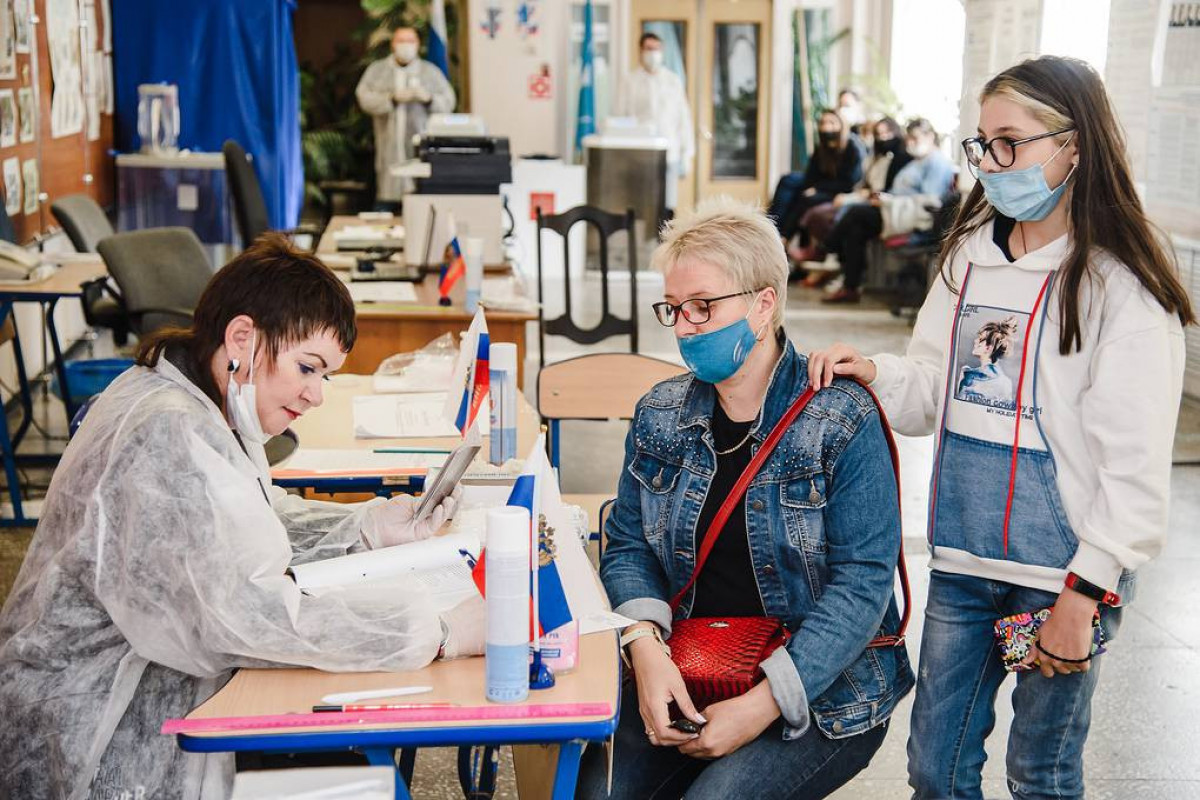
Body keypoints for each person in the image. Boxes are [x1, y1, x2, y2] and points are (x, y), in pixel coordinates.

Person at [808, 56, 1194, 799]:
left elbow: (1136, 466)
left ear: (1073, 146)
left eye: (1010, 143)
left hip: (1061, 580)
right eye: (982, 143)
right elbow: (933, 392)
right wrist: (875, 372)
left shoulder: (1119, 285)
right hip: (964, 563)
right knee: (936, 770)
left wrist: (1085, 594)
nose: (989, 163)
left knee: (1039, 774)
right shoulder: (969, 258)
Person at [0, 235, 485, 800]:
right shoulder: (166, 431)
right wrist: (438, 631)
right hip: (96, 727)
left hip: (138, 681)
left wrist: (367, 529)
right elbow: (239, 618)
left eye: (324, 375)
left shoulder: (203, 395)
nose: (315, 395)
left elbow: (244, 520)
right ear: (242, 338)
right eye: (307, 368)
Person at [576, 197, 913, 799]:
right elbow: (627, 545)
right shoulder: (660, 413)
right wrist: (645, 649)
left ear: (763, 305)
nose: (684, 327)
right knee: (596, 792)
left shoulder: (840, 418)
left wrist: (762, 705)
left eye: (703, 306)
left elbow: (862, 585)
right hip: (691, 667)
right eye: (673, 308)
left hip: (825, 690)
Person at [819, 117, 956, 303]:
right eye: (909, 138)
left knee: (856, 213)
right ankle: (850, 286)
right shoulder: (917, 161)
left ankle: (828, 248)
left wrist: (889, 201)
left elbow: (930, 200)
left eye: (915, 138)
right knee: (855, 230)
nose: (910, 143)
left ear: (930, 136)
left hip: (911, 217)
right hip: (894, 211)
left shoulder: (937, 163)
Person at [793, 116, 912, 287]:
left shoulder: (900, 159)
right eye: (879, 134)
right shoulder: (874, 157)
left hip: (885, 207)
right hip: (864, 197)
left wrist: (857, 196)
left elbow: (885, 191)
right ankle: (842, 275)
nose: (883, 138)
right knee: (817, 211)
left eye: (887, 133)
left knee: (849, 216)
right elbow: (863, 184)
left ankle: (828, 252)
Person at [356, 26, 456, 207]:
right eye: (401, 41)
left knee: (419, 206)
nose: (406, 45)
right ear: (393, 44)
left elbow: (448, 102)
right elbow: (364, 98)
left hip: (421, 151)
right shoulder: (377, 70)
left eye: (410, 41)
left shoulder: (430, 72)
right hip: (388, 151)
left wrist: (428, 99)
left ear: (418, 44)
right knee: (386, 203)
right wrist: (391, 99)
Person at [615, 32, 695, 213]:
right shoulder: (629, 81)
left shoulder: (672, 80)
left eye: (657, 49)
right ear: (640, 51)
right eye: (649, 49)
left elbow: (683, 118)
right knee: (639, 204)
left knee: (667, 205)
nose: (653, 53)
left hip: (669, 153)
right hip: (638, 154)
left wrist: (687, 153)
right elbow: (620, 119)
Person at [768, 109, 864, 249]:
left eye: (831, 123)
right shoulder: (821, 149)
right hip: (822, 185)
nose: (826, 127)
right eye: (823, 123)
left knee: (804, 198)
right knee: (788, 180)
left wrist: (818, 188)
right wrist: (813, 187)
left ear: (841, 125)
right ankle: (771, 227)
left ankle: (785, 237)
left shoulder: (852, 148)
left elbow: (848, 182)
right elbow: (811, 175)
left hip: (841, 191)